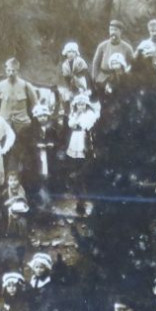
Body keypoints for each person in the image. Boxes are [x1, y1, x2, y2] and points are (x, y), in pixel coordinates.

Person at [63, 86, 101, 216]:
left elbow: (87, 125)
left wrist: (80, 120)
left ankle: (83, 198)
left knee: (84, 169)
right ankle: (77, 195)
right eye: (78, 104)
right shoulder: (74, 114)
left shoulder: (89, 114)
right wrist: (76, 116)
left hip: (84, 139)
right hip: (75, 139)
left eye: (83, 104)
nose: (81, 106)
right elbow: (71, 124)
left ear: (86, 104)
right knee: (74, 166)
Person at [0, 57, 41, 130]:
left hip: (22, 123)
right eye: (8, 71)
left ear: (17, 71)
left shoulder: (25, 85)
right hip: (5, 123)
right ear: (5, 71)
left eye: (13, 71)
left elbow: (35, 104)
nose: (11, 73)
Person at [90, 19, 134, 86]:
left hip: (120, 79)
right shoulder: (102, 46)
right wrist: (95, 78)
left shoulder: (127, 48)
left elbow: (132, 65)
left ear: (120, 31)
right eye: (111, 30)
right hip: (103, 78)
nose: (113, 32)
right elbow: (95, 63)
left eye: (115, 30)